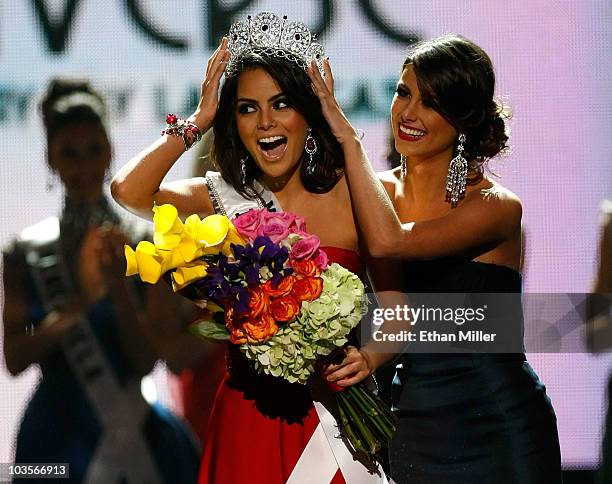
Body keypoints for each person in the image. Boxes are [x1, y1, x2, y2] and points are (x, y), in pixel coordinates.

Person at [111, 12, 387, 484]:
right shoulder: (219, 198)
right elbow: (128, 191)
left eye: (281, 104)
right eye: (246, 108)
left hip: (336, 416)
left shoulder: (353, 193)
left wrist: (374, 355)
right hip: (250, 417)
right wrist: (197, 120)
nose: (265, 123)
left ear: (308, 111)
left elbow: (398, 295)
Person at [309, 35, 562, 483]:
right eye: (404, 92)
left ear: (463, 119)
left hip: (494, 424)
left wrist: (346, 136)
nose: (408, 113)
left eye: (432, 102)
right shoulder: (375, 194)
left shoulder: (495, 207)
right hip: (408, 424)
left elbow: (390, 243)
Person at [2, 79, 200, 483]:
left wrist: (119, 290)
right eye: (69, 153)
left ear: (110, 150)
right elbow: (14, 359)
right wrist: (79, 307)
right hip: (50, 439)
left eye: (93, 149)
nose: (83, 165)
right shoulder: (23, 251)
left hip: (137, 428)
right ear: (50, 159)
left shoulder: (145, 240)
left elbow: (147, 360)